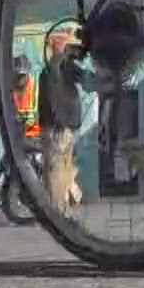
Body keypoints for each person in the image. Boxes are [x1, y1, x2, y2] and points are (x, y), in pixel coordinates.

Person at [38, 29, 91, 214]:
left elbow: (85, 79)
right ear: (61, 48)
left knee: (64, 170)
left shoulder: (63, 69)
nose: (73, 52)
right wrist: (59, 122)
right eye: (69, 48)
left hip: (64, 129)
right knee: (57, 171)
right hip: (57, 130)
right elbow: (53, 100)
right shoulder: (53, 70)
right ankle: (57, 211)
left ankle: (63, 210)